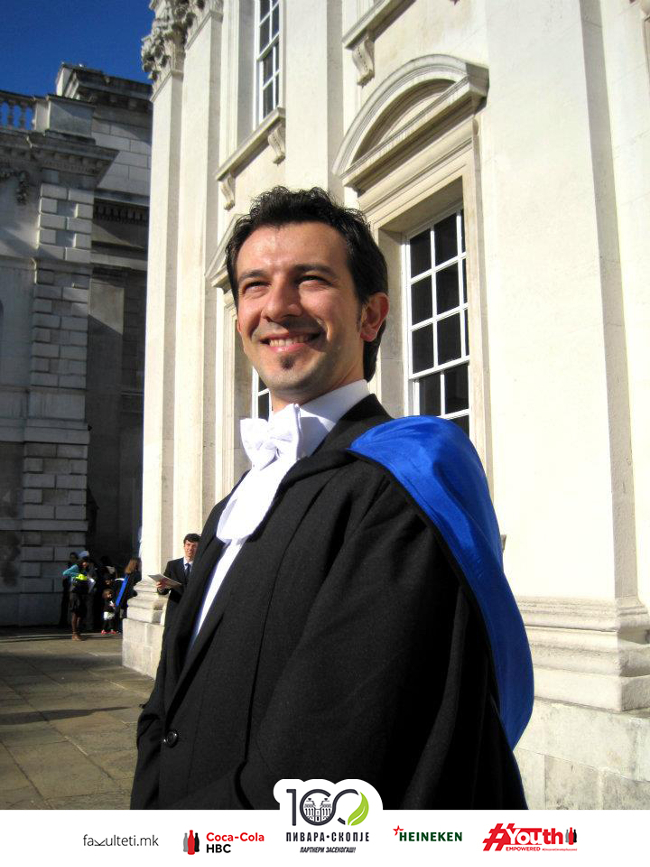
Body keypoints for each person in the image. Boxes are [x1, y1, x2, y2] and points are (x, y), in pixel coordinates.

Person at [131, 187, 533, 811]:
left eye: (310, 279)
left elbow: (331, 755)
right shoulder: (233, 505)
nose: (277, 306)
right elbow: (169, 697)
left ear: (371, 316)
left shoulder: (400, 487)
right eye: (255, 285)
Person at [156, 533, 200, 628]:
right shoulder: (172, 565)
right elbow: (164, 591)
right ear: (184, 546)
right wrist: (161, 588)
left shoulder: (201, 567)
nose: (190, 548)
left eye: (194, 546)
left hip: (193, 611)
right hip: (175, 610)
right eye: (188, 545)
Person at [63, 556, 93, 640]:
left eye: (87, 564)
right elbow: (65, 573)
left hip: (81, 592)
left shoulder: (83, 569)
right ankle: (74, 633)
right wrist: (78, 575)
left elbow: (85, 576)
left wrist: (88, 578)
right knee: (76, 612)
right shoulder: (76, 566)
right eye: (85, 563)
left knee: (81, 613)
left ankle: (78, 632)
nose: (86, 565)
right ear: (82, 561)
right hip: (75, 592)